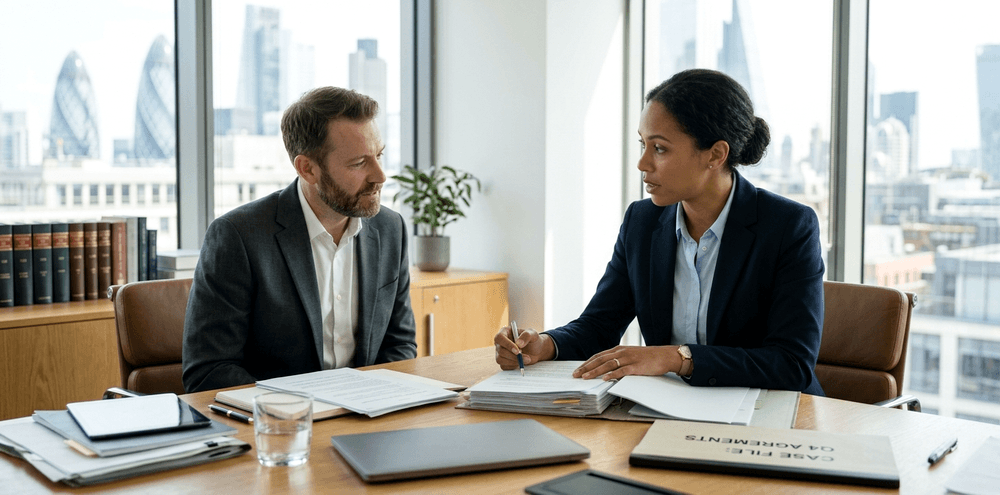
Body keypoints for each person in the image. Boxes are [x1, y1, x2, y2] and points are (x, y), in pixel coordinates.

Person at [494, 69, 825, 395]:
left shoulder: (788, 226)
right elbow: (599, 325)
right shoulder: (643, 221)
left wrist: (677, 357)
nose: (643, 164)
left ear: (715, 154)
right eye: (643, 145)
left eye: (660, 149)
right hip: (671, 409)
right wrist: (546, 345)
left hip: (770, 418)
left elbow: (791, 364)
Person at [182, 87, 417, 393]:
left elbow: (399, 345)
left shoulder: (390, 229)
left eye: (380, 156)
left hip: (367, 422)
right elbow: (208, 372)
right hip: (279, 427)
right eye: (359, 163)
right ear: (308, 169)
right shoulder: (238, 237)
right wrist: (305, 409)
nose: (380, 176)